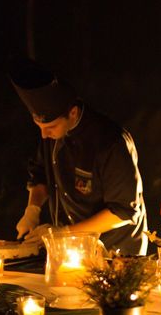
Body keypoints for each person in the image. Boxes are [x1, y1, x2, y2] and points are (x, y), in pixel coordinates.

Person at [9, 58, 148, 254]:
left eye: (50, 127)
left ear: (72, 113)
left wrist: (63, 233)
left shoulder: (111, 143)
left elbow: (123, 211)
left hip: (117, 254)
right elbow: (39, 175)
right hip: (73, 252)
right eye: (39, 127)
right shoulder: (51, 134)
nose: (44, 135)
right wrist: (32, 210)